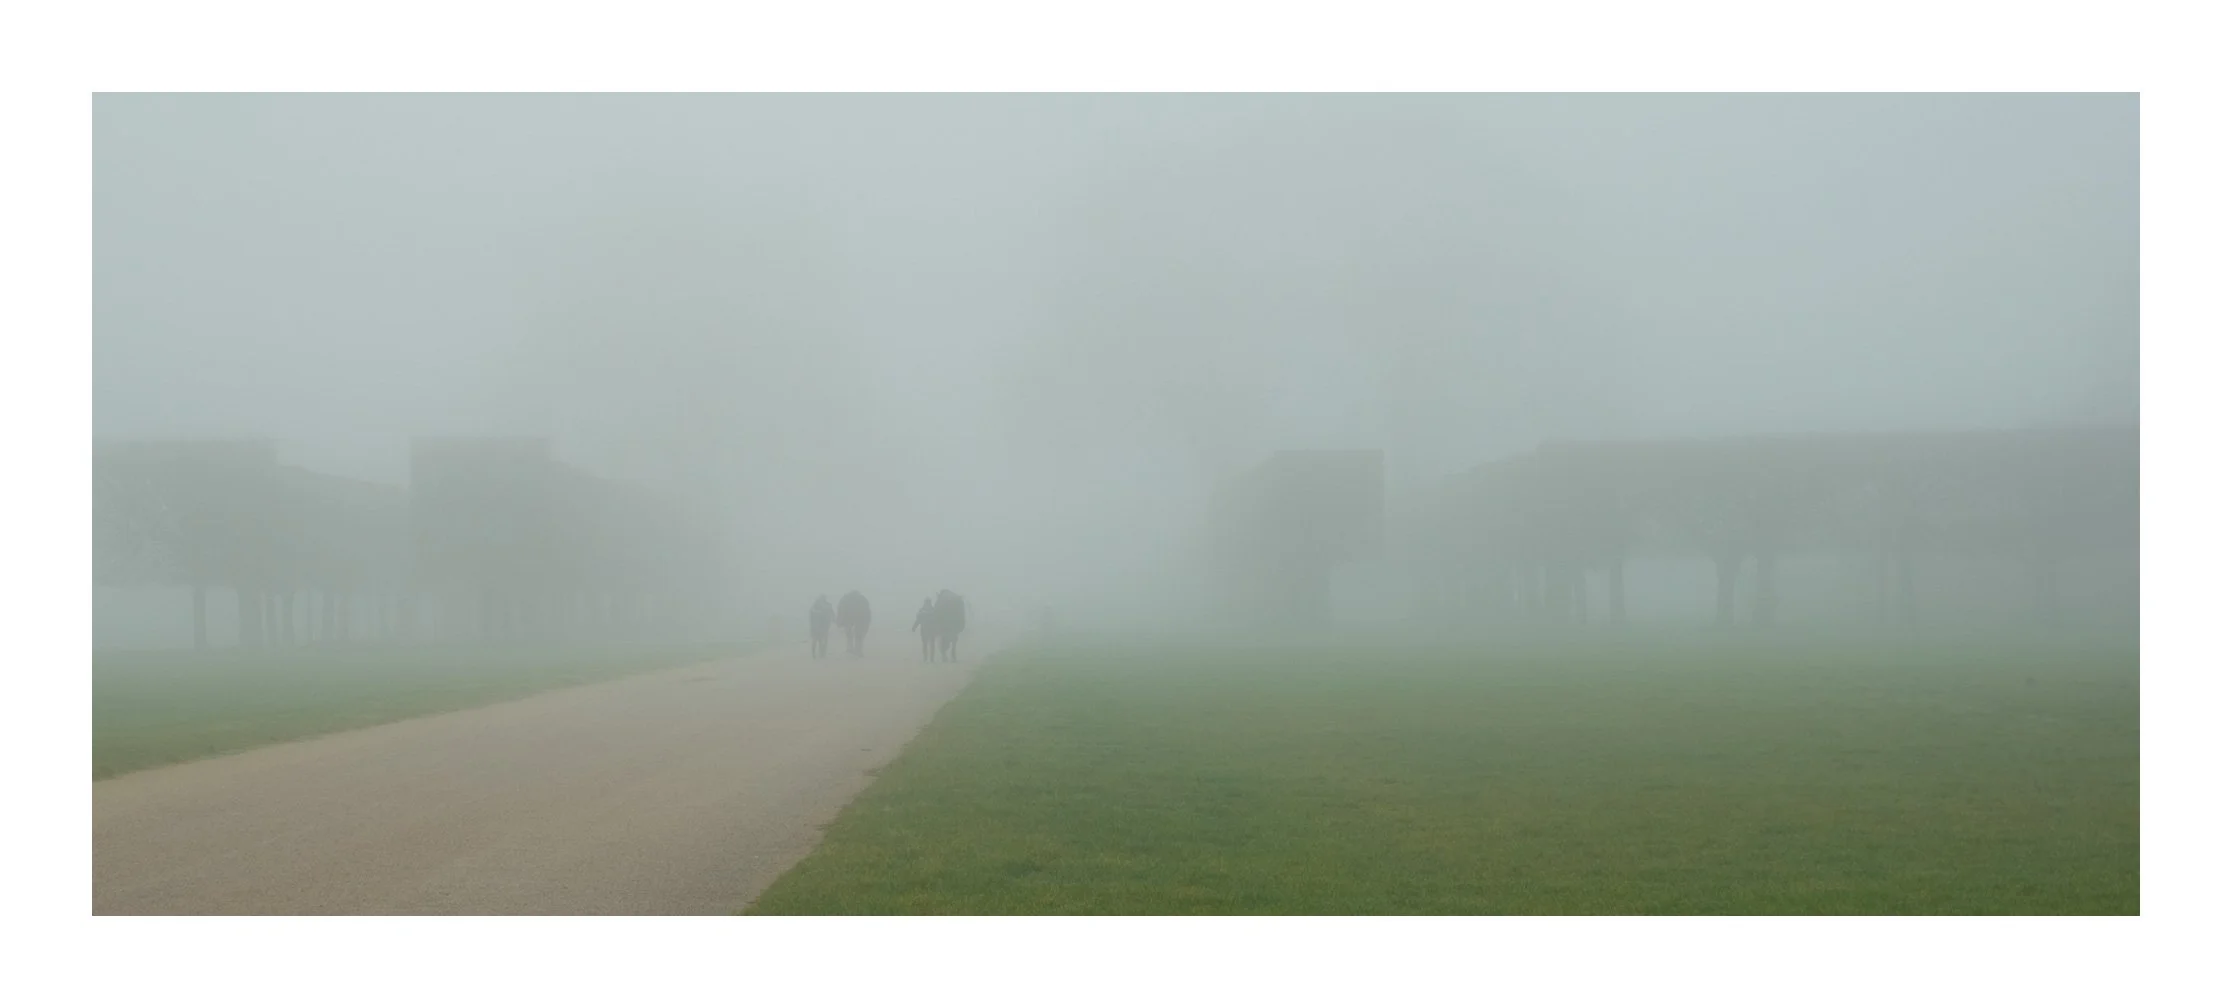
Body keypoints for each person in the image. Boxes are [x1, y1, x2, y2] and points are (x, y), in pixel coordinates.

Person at [836, 590, 872, 657]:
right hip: (860, 621)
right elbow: (867, 612)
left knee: (849, 635)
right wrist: (867, 621)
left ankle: (850, 649)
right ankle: (858, 650)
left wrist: (839, 621)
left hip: (848, 620)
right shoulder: (862, 599)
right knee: (858, 636)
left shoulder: (845, 599)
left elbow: (840, 610)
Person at [912, 597, 936, 662]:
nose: (927, 603)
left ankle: (930, 658)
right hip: (926, 631)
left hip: (930, 631)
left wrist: (914, 627)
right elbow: (918, 620)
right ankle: (927, 658)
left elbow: (918, 620)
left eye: (928, 602)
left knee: (930, 645)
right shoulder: (932, 611)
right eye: (927, 602)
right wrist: (914, 627)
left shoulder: (930, 611)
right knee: (927, 645)